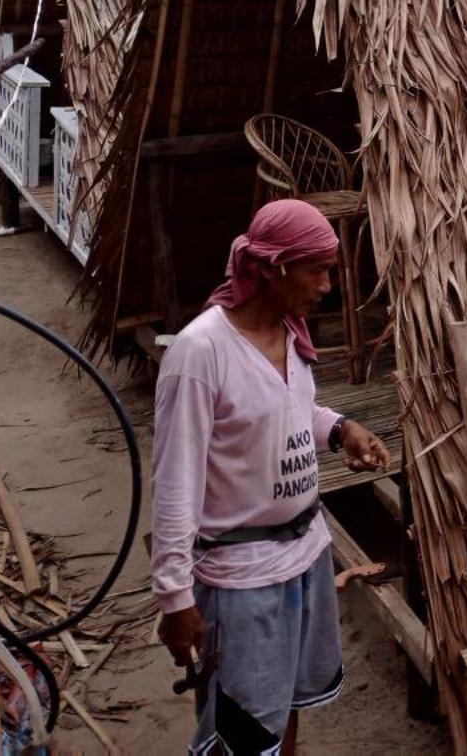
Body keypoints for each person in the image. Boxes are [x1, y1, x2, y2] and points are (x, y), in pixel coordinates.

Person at [150, 199, 390, 755]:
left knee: (285, 714)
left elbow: (285, 410)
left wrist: (339, 428)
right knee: (242, 732)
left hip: (306, 555)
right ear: (273, 268)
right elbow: (175, 486)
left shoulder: (288, 333)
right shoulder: (199, 354)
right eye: (318, 270)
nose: (328, 286)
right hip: (242, 578)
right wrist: (175, 598)